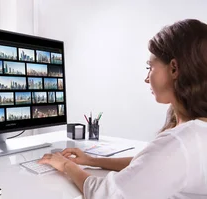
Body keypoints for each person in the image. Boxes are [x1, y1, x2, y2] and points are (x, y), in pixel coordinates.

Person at [38, 19, 207, 198]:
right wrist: (91, 160)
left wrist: (66, 166)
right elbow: (146, 168)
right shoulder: (196, 134)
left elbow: (108, 195)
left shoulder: (182, 142)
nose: (147, 78)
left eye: (150, 67)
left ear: (174, 69)